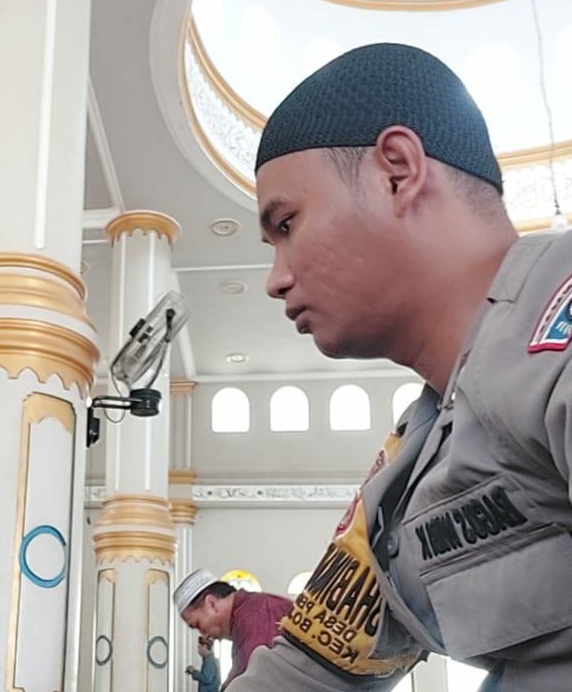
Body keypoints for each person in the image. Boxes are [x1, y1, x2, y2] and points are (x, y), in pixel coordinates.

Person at [225, 42, 572, 692]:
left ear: (397, 171)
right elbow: (310, 672)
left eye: (287, 224)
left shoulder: (554, 331)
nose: (275, 280)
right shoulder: (410, 462)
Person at [173, 570, 292, 688]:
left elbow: (253, 683)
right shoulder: (246, 614)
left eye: (198, 624)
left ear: (211, 604)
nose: (205, 636)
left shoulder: (256, 614)